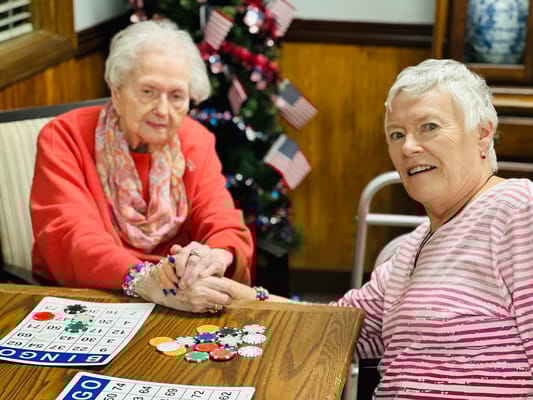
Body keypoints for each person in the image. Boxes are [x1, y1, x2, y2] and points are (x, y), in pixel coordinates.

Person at [178, 59, 533, 398]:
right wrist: (221, 289)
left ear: (483, 133)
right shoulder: (412, 248)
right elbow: (337, 327)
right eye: (396, 134)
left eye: (429, 127)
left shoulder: (518, 211)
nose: (408, 147)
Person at [30, 19, 253, 313]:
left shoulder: (196, 140)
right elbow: (70, 237)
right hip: (92, 300)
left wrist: (216, 256)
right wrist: (145, 280)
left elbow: (222, 219)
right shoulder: (64, 137)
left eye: (176, 96)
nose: (162, 110)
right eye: (148, 92)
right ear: (117, 92)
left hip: (181, 300)